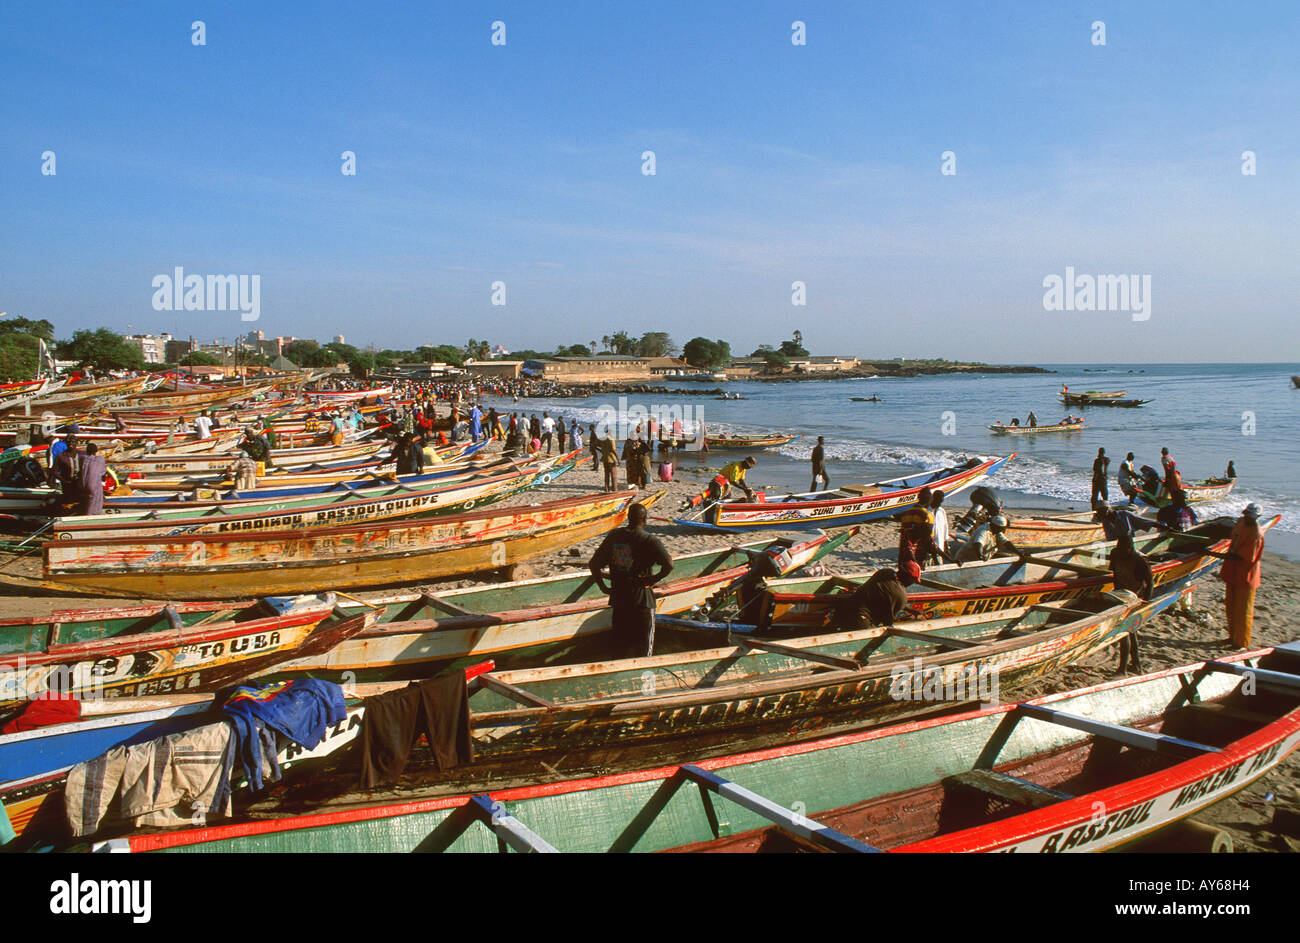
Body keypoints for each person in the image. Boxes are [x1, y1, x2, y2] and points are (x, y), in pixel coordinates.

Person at [588, 502, 673, 656]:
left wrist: (603, 587)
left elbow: (593, 564)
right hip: (642, 601)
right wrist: (653, 579)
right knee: (643, 651)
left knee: (619, 648)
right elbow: (669, 564)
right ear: (645, 520)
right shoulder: (649, 540)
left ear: (628, 518)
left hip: (619, 600)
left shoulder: (614, 536)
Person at [1219, 503, 1265, 647]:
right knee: (1231, 607)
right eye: (1247, 515)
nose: (1248, 518)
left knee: (1243, 610)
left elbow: (1246, 557)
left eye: (1251, 516)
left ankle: (1241, 642)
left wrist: (1216, 555)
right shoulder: (1240, 522)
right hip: (1233, 571)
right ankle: (1232, 637)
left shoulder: (1256, 534)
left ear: (1257, 517)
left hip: (1246, 574)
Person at [1109, 534, 1153, 672]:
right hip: (1120, 594)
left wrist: (1145, 601)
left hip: (1134, 596)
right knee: (1130, 631)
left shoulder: (1140, 560)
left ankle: (1123, 669)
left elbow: (1150, 583)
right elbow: (1115, 573)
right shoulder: (1115, 553)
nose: (1121, 552)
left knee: (1126, 630)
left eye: (1124, 550)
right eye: (1119, 548)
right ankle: (1136, 664)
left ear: (1129, 548)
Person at [832, 569, 910, 629]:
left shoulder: (884, 572)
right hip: (860, 621)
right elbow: (888, 621)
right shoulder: (901, 595)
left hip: (842, 611)